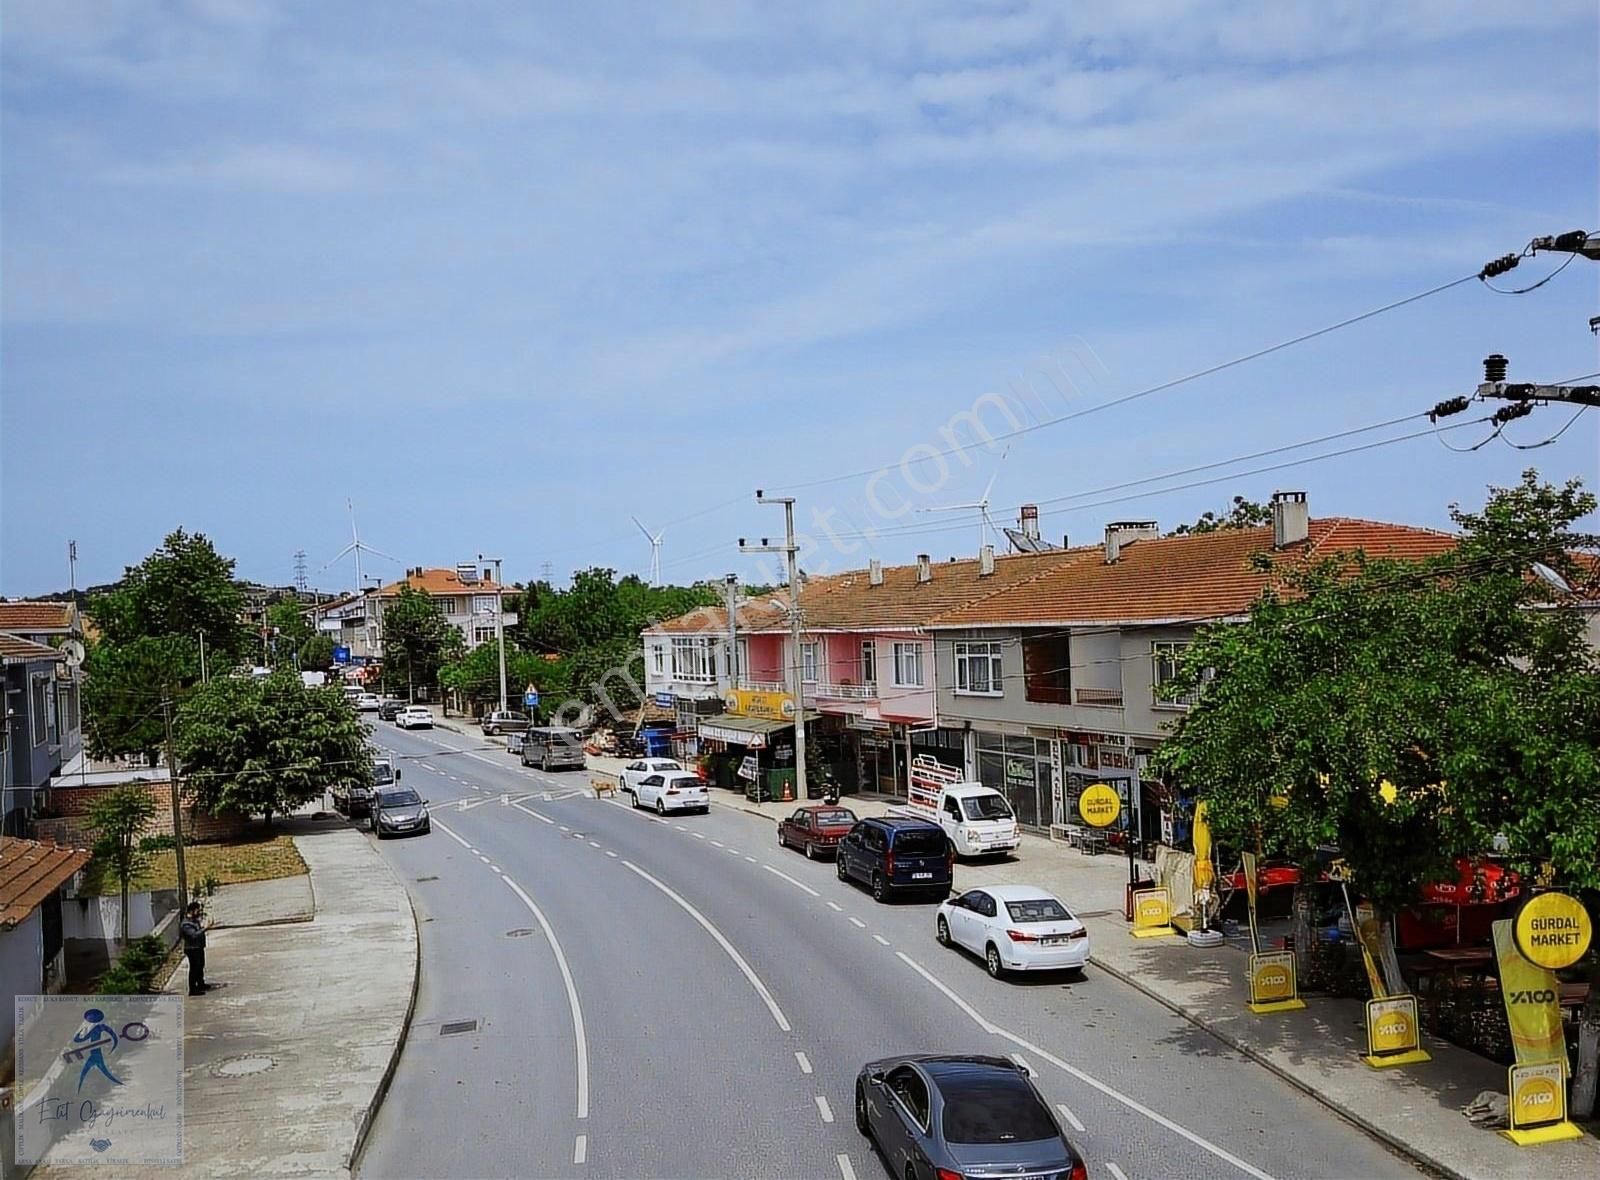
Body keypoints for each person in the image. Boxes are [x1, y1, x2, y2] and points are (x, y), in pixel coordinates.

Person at [180, 901, 209, 995]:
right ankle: (193, 989)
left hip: (198, 947)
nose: (199, 912)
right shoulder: (186, 924)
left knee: (200, 966)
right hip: (192, 949)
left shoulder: (194, 921)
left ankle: (200, 983)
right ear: (191, 911)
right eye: (197, 910)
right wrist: (206, 928)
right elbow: (194, 935)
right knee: (194, 968)